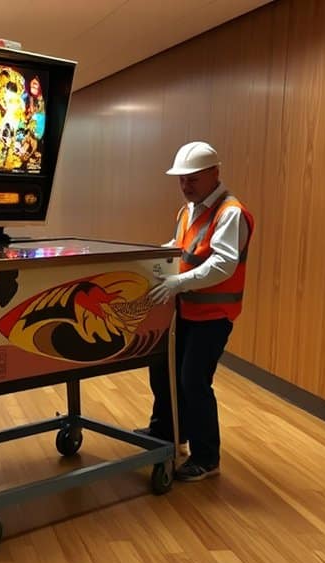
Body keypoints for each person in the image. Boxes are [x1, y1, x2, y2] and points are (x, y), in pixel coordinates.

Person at [141, 141, 254, 482]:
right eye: (181, 179)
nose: (186, 185)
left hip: (213, 315)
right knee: (163, 369)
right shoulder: (188, 210)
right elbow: (180, 248)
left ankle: (207, 457)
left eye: (193, 178)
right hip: (184, 309)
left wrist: (178, 283)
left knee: (193, 381)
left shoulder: (230, 212)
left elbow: (222, 264)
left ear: (215, 174)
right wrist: (149, 256)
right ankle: (167, 434)